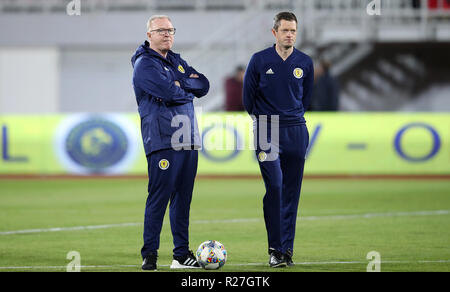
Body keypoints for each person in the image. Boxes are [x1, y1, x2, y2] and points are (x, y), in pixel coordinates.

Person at [131, 15, 209, 271]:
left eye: (170, 30)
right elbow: (168, 92)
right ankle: (150, 254)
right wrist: (184, 89)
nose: (167, 34)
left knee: (182, 200)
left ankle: (181, 255)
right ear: (149, 35)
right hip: (163, 139)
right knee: (159, 197)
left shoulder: (176, 60)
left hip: (187, 137)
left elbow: (204, 85)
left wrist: (180, 83)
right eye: (161, 30)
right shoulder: (144, 65)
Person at [243, 12, 314, 268]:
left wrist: (291, 117)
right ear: (274, 33)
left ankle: (286, 251)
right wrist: (265, 119)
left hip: (295, 129)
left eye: (293, 30)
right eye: (285, 30)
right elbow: (247, 100)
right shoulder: (259, 60)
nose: (290, 35)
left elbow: (306, 99)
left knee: (291, 193)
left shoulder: (305, 62)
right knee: (275, 187)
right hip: (266, 127)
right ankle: (274, 249)